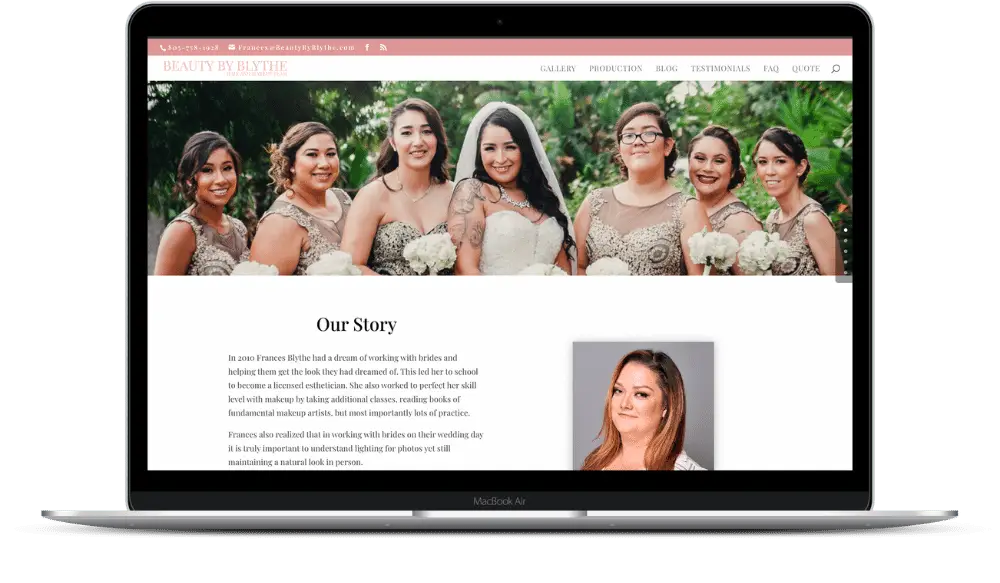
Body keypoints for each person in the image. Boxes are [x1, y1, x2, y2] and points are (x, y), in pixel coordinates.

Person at [574, 102, 712, 276]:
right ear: (621, 148)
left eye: (648, 133)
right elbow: (576, 267)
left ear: (667, 146)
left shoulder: (689, 210)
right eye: (629, 135)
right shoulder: (594, 203)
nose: (638, 142)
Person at [447, 102, 575, 275]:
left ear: (524, 150)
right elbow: (465, 268)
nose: (500, 159)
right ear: (479, 152)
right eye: (490, 148)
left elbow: (563, 273)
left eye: (510, 147)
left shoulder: (544, 199)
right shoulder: (473, 192)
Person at [340, 98, 454, 275]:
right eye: (407, 133)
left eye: (427, 131)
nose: (418, 141)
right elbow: (351, 266)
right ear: (393, 142)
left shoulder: (455, 195)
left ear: (437, 139)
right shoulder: (373, 195)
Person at [249, 122, 353, 275]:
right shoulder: (279, 222)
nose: (324, 164)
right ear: (291, 164)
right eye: (312, 154)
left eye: (330, 154)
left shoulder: (342, 198)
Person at [581, 349, 705, 471]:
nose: (624, 404)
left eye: (641, 394)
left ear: (666, 406)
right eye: (618, 391)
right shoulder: (594, 462)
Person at [154, 131, 250, 275]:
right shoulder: (182, 231)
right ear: (189, 179)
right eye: (207, 170)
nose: (221, 179)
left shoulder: (239, 228)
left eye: (227, 168)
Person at [753, 126, 843, 276]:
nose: (769, 171)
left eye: (780, 161)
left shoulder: (813, 220)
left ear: (800, 167)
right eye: (762, 162)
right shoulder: (772, 220)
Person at [687, 125, 763, 275]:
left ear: (733, 170)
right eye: (700, 158)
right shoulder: (688, 208)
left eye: (719, 161)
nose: (708, 168)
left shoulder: (740, 221)